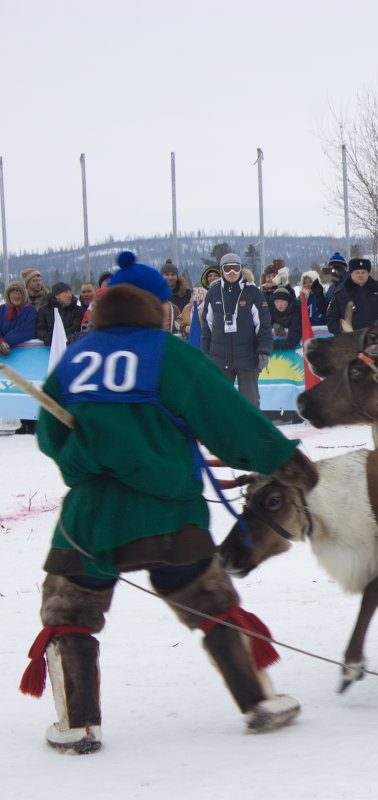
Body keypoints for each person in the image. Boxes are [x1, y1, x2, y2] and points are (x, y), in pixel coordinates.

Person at [26, 262, 310, 753]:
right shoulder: (171, 355)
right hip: (170, 515)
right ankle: (257, 703)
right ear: (158, 306)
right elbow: (231, 421)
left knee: (70, 608)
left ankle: (78, 725)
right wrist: (287, 463)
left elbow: (50, 438)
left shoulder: (76, 359)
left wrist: (86, 457)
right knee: (209, 601)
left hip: (91, 521)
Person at [201, 252, 273, 407]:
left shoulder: (253, 293)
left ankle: (252, 430)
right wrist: (205, 354)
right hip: (220, 358)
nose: (232, 273)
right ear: (222, 270)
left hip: (248, 358)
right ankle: (223, 431)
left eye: (235, 269)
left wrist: (264, 350)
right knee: (220, 402)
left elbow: (264, 326)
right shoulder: (213, 293)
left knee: (250, 402)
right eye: (227, 269)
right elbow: (207, 327)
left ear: (241, 269)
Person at [325, 257, 378, 331]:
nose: (360, 275)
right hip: (353, 340)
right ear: (351, 274)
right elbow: (331, 319)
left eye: (363, 272)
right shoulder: (341, 295)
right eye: (357, 272)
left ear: (368, 274)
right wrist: (343, 333)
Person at [0, 280, 37, 354]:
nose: (17, 296)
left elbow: (27, 330)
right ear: (8, 295)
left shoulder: (30, 310)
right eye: (13, 293)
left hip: (23, 353)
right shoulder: (1, 310)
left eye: (20, 293)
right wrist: (1, 342)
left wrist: (6, 343)